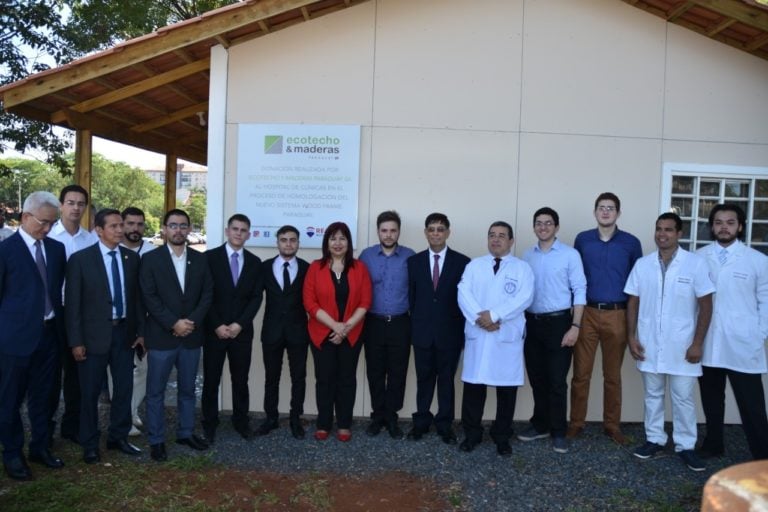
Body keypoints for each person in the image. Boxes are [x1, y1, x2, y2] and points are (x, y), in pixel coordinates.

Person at [624, 212, 714, 471]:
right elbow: (633, 301)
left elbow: (705, 305)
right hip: (649, 342)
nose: (662, 234)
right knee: (652, 394)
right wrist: (631, 337)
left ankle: (686, 445)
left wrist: (697, 343)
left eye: (669, 230)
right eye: (659, 229)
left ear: (679, 234)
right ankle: (654, 438)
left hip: (683, 345)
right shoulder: (643, 264)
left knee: (683, 397)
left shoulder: (694, 264)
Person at [66, 208, 145, 464]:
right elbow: (73, 304)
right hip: (92, 337)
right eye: (114, 226)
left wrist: (140, 332)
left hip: (124, 334)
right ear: (99, 230)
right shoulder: (81, 260)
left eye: (121, 225)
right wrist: (75, 341)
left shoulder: (130, 259)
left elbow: (137, 300)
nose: (120, 230)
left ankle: (118, 437)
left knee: (123, 388)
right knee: (89, 393)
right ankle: (89, 443)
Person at [0, 191, 66, 480]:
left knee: (45, 397)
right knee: (9, 400)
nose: (48, 229)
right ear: (25, 217)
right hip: (13, 341)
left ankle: (40, 447)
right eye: (43, 222)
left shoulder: (55, 249)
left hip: (49, 337)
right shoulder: (5, 251)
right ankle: (12, 454)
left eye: (53, 223)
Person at [140, 209, 213, 462]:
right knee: (156, 391)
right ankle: (157, 440)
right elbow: (149, 297)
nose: (178, 230)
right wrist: (173, 323)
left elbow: (207, 295)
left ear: (189, 229)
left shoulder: (200, 259)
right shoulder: (151, 260)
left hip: (191, 336)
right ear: (164, 228)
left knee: (187, 389)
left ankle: (185, 432)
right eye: (173, 225)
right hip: (162, 337)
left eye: (183, 226)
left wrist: (189, 323)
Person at [568, 192, 642, 444]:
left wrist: (634, 325)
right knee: (581, 374)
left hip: (617, 314)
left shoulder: (631, 243)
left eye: (611, 208)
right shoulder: (583, 240)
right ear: (595, 211)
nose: (606, 212)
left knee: (612, 375)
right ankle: (576, 422)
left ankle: (612, 425)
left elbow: (636, 284)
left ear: (618, 213)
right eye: (601, 207)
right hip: (587, 312)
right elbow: (575, 277)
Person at [696, 204, 768, 460]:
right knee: (712, 399)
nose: (723, 227)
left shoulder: (758, 261)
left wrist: (759, 334)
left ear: (740, 226)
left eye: (729, 222)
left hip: (743, 344)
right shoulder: (699, 257)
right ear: (712, 226)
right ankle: (714, 444)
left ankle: (762, 453)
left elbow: (766, 301)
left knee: (752, 404)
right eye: (718, 222)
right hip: (709, 342)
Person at [457, 221, 534, 456]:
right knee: (473, 388)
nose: (496, 239)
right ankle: (472, 434)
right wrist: (480, 318)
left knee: (506, 390)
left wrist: (495, 315)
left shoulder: (522, 269)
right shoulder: (474, 266)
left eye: (502, 236)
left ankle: (502, 436)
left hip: (505, 335)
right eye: (492, 235)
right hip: (479, 333)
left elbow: (524, 298)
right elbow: (463, 292)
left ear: (511, 241)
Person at [520, 207, 586, 454]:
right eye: (539, 223)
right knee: (537, 378)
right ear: (534, 226)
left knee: (557, 381)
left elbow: (580, 290)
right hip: (532, 323)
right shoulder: (527, 256)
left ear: (557, 227)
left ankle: (559, 431)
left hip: (560, 324)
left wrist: (575, 326)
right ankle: (540, 425)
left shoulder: (570, 255)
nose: (543, 227)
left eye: (548, 223)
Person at [303, 222, 372, 442]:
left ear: (349, 243)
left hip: (351, 334)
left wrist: (346, 327)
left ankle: (344, 424)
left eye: (342, 238)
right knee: (324, 379)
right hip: (322, 333)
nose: (338, 243)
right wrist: (335, 326)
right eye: (333, 238)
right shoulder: (315, 267)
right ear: (327, 243)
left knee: (346, 380)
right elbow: (310, 303)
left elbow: (365, 301)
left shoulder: (359, 268)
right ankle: (323, 423)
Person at [406, 213, 470, 444]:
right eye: (431, 229)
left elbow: (466, 301)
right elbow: (412, 299)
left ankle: (445, 424)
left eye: (440, 229)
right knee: (424, 380)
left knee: (446, 380)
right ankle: (420, 422)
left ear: (448, 232)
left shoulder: (462, 262)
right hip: (422, 332)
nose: (435, 233)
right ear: (425, 233)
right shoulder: (413, 262)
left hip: (449, 333)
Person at [202, 214, 263, 442]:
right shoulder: (209, 258)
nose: (239, 233)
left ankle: (241, 421)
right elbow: (205, 295)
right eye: (235, 229)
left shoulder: (255, 262)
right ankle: (209, 423)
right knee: (211, 379)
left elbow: (256, 298)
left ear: (248, 234)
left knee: (240, 379)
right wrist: (217, 324)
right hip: (214, 331)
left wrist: (239, 324)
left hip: (241, 332)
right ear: (227, 231)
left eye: (243, 230)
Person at [48, 184, 98, 445]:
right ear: (61, 205)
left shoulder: (90, 239)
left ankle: (72, 425)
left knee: (78, 373)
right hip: (53, 314)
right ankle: (45, 426)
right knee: (50, 372)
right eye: (71, 202)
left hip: (80, 315)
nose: (76, 208)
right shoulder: (49, 236)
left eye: (81, 203)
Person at [359, 211, 415, 439]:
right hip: (373, 322)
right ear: (378, 231)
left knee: (397, 372)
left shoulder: (410, 257)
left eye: (393, 230)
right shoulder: (366, 256)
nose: (389, 235)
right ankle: (377, 416)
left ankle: (392, 418)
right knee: (375, 371)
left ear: (399, 231)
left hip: (401, 323)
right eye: (384, 230)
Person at [259, 225, 311, 439]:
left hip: (298, 331)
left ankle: (295, 418)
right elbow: (252, 297)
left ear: (298, 243)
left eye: (292, 240)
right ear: (277, 242)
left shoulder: (308, 269)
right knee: (272, 377)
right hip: (271, 332)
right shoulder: (264, 268)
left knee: (299, 377)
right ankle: (271, 418)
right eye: (284, 240)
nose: (288, 244)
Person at [119, 206, 156, 436]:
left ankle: (131, 411)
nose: (135, 228)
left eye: (139, 224)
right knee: (120, 372)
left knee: (144, 369)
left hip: (148, 321)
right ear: (122, 224)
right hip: (122, 321)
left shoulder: (152, 252)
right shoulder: (113, 249)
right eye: (130, 223)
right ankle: (125, 416)